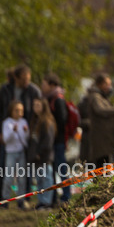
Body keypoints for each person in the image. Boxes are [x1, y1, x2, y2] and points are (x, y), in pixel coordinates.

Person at [0, 64, 42, 201]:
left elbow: (37, 114)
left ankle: (24, 198)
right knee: (2, 166)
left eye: (28, 79)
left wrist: (32, 132)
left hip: (24, 136)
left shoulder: (33, 91)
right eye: (24, 79)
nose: (27, 82)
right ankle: (0, 197)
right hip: (7, 133)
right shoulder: (6, 90)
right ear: (16, 78)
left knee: (24, 171)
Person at [79, 74, 114, 167]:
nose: (109, 87)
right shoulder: (95, 97)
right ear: (99, 84)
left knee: (106, 163)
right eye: (106, 84)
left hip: (106, 138)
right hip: (101, 139)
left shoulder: (102, 96)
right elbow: (100, 110)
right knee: (102, 164)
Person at [42, 73, 71, 203]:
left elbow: (62, 120)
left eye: (44, 84)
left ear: (52, 85)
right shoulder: (49, 99)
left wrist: (53, 130)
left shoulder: (58, 100)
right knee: (53, 170)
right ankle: (53, 197)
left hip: (58, 141)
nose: (42, 87)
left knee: (61, 169)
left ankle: (66, 196)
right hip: (52, 141)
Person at [27, 97, 56, 209]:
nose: (35, 107)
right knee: (39, 180)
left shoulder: (47, 121)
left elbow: (48, 140)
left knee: (46, 179)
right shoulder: (34, 121)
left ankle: (46, 202)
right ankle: (41, 201)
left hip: (44, 157)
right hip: (36, 157)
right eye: (34, 105)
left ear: (44, 106)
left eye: (38, 105)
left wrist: (40, 153)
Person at [1, 100, 30, 209]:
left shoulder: (24, 122)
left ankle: (21, 200)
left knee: (21, 178)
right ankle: (5, 200)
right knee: (9, 177)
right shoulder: (7, 123)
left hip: (21, 152)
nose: (19, 113)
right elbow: (6, 139)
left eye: (21, 110)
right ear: (11, 111)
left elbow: (26, 139)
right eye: (17, 110)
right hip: (11, 152)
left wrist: (26, 132)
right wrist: (13, 131)